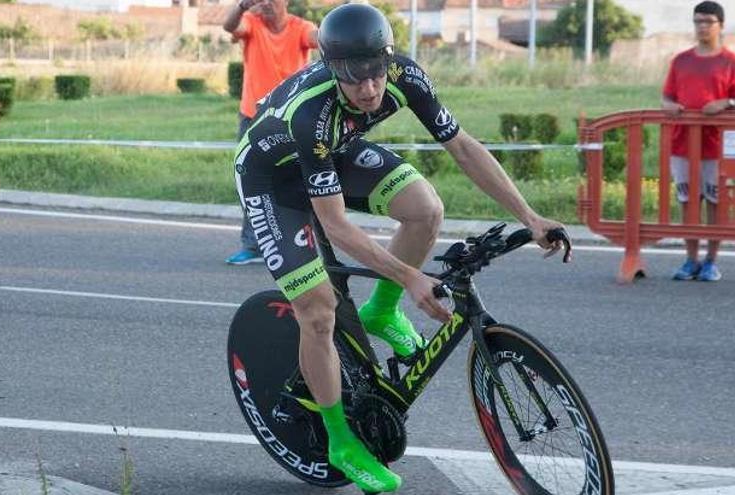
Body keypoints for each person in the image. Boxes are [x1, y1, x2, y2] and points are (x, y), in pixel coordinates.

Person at [232, 4, 568, 492]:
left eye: (376, 74)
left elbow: (463, 148)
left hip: (333, 153)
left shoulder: (406, 75)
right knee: (319, 311)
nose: (369, 89)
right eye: (354, 79)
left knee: (426, 210)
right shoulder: (313, 111)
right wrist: (411, 276)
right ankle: (340, 441)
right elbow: (338, 226)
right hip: (272, 182)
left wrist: (531, 217)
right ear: (332, 69)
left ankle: (381, 311)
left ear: (388, 61)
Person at [222, 0, 318, 265]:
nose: (264, 3)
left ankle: (302, 243)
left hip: (290, 118)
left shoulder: (300, 28)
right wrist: (242, 6)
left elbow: (318, 37)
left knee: (299, 179)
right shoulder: (252, 24)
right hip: (253, 116)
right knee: (250, 180)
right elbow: (229, 25)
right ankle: (252, 246)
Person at [662, 0, 735, 282]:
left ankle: (712, 261)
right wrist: (668, 106)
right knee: (687, 202)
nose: (702, 26)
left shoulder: (732, 61)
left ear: (720, 25)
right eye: (698, 21)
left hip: (716, 146)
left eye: (708, 21)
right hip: (682, 144)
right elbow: (667, 97)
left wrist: (726, 102)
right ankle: (690, 259)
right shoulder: (681, 60)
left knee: (714, 202)